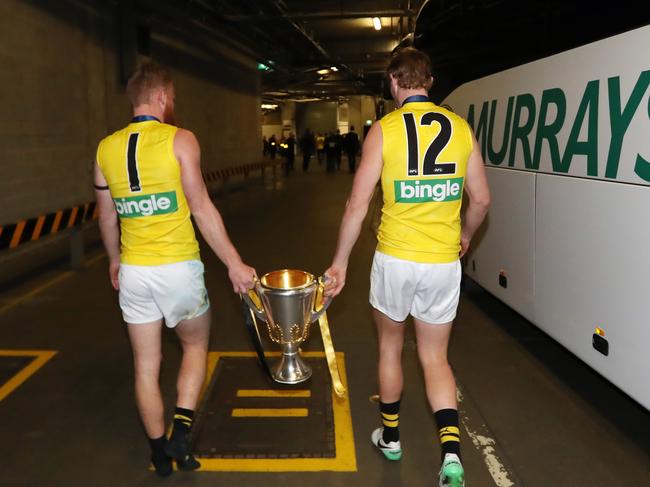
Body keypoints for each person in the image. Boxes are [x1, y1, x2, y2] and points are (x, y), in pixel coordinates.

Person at [323, 47, 490, 487]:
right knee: (435, 358)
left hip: (395, 258)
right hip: (440, 262)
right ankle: (451, 455)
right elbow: (483, 199)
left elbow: (358, 203)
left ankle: (391, 437)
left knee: (390, 348)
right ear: (430, 82)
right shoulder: (460, 128)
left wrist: (339, 262)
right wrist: (466, 236)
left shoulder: (384, 129)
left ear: (394, 83)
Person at [93, 61, 256, 477]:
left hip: (134, 271)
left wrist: (113, 259)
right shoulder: (180, 140)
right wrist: (234, 263)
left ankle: (158, 454)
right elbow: (201, 208)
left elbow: (107, 216)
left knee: (145, 366)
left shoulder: (105, 149)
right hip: (179, 268)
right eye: (173, 97)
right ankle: (181, 433)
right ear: (163, 97)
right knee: (195, 345)